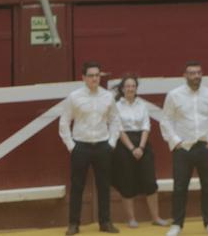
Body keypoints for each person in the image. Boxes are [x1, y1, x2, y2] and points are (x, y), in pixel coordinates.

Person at [161, 61, 208, 236]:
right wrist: (175, 142)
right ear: (185, 75)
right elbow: (166, 120)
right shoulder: (174, 95)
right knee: (180, 187)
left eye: (198, 73)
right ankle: (177, 224)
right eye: (192, 73)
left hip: (205, 147)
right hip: (183, 149)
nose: (196, 76)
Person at [59, 61, 121, 235]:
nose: (95, 78)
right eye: (91, 75)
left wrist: (112, 143)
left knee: (104, 185)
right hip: (81, 146)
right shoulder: (74, 97)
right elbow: (64, 122)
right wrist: (72, 146)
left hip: (102, 145)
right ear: (84, 78)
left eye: (97, 75)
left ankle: (105, 222)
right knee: (77, 186)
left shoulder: (108, 96)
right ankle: (73, 224)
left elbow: (115, 120)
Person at [110, 74, 168, 228]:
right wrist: (132, 148)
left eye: (133, 86)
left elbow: (146, 127)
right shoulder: (116, 106)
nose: (130, 89)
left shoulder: (142, 104)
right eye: (127, 86)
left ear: (136, 89)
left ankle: (155, 217)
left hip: (142, 144)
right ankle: (131, 219)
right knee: (127, 180)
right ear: (122, 89)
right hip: (124, 144)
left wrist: (141, 147)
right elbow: (119, 129)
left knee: (150, 180)